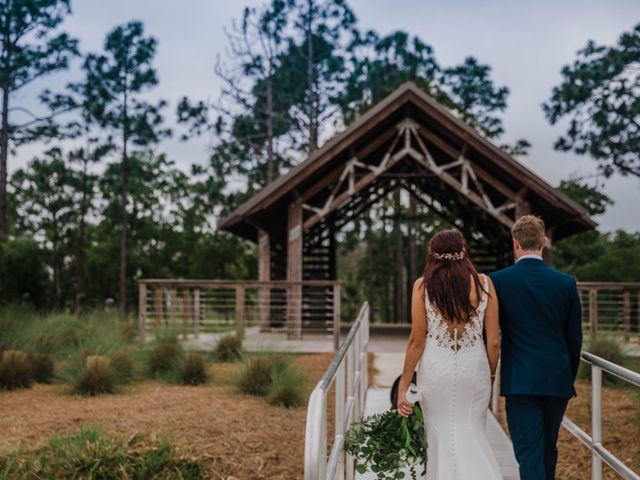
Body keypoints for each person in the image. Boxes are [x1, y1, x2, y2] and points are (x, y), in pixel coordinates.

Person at [397, 229, 502, 480]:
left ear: (432, 255)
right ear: (463, 251)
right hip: (474, 369)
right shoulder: (484, 284)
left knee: (439, 433)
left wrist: (404, 385)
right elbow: (495, 341)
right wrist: (489, 373)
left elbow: (416, 341)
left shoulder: (422, 286)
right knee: (472, 429)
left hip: (436, 369)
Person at [490, 215, 582, 480]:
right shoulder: (566, 283)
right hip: (557, 378)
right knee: (547, 450)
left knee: (529, 451)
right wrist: (567, 375)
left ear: (515, 244)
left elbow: (490, 332)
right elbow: (574, 339)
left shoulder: (499, 280)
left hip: (520, 380)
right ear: (544, 243)